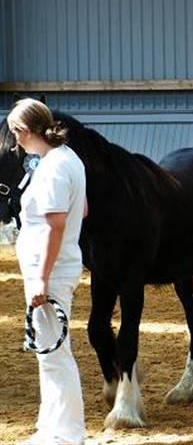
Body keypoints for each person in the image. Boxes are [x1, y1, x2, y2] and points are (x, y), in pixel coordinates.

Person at [8, 98, 87, 445]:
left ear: (23, 131)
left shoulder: (53, 166)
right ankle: (50, 427)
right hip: (56, 266)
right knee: (48, 351)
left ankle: (67, 434)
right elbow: (81, 209)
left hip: (50, 272)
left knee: (55, 354)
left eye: (15, 134)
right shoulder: (65, 158)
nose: (14, 142)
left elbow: (56, 224)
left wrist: (41, 277)